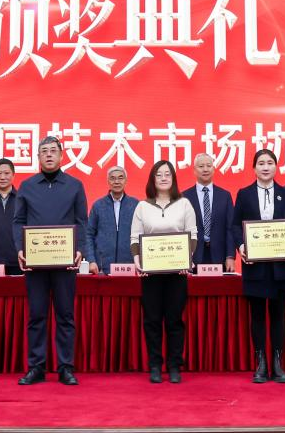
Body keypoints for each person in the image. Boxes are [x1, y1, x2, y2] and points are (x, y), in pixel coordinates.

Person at [12, 136, 88, 386]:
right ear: (38, 157)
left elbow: (82, 221)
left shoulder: (75, 185)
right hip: (35, 263)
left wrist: (80, 249)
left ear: (61, 155)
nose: (48, 155)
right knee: (37, 315)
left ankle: (65, 367)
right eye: (43, 151)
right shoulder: (27, 186)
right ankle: (36, 367)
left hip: (65, 262)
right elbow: (18, 221)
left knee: (65, 315)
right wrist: (20, 249)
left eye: (53, 151)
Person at [232, 149, 285, 384]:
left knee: (278, 315)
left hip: (280, 267)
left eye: (270, 163)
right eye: (261, 163)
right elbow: (235, 225)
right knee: (257, 315)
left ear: (276, 166)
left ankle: (278, 363)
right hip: (255, 266)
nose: (265, 167)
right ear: (254, 168)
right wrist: (242, 247)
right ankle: (260, 363)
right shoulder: (244, 194)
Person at [130, 161, 197, 384]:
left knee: (174, 320)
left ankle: (175, 365)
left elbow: (192, 235)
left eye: (167, 174)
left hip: (177, 272)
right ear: (153, 179)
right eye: (159, 174)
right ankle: (155, 365)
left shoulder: (184, 204)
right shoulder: (142, 206)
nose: (163, 178)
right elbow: (135, 238)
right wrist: (138, 262)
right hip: (150, 273)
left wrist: (186, 260)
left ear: (173, 178)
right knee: (152, 320)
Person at [183, 153, 235, 270]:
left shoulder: (225, 196)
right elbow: (181, 229)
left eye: (209, 166)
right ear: (194, 170)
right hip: (193, 257)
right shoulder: (184, 197)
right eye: (201, 166)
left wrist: (230, 256)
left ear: (213, 169)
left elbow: (230, 228)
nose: (205, 169)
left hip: (220, 256)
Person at [85, 166, 138, 274]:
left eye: (120, 178)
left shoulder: (135, 205)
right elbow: (88, 234)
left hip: (129, 267)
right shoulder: (98, 205)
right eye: (112, 178)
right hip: (102, 268)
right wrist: (91, 260)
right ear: (108, 182)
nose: (116, 181)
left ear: (126, 181)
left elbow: (141, 235)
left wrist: (139, 261)